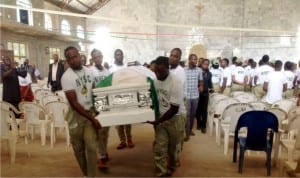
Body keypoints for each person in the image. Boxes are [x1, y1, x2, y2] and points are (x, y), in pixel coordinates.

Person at [61, 46, 101, 177]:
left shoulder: (89, 72)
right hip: (76, 116)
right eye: (69, 58)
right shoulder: (66, 77)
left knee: (91, 146)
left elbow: (93, 91)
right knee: (78, 149)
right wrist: (92, 119)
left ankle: (91, 176)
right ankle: (86, 174)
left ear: (80, 55)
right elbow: (74, 103)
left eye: (75, 56)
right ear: (67, 60)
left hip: (90, 113)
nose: (73, 60)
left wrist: (98, 111)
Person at [147, 56, 183, 177]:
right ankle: (160, 173)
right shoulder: (154, 80)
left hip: (175, 118)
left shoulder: (176, 81)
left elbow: (174, 109)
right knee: (160, 148)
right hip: (161, 117)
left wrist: (158, 121)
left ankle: (172, 164)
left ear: (168, 69)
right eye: (156, 71)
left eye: (161, 72)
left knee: (172, 149)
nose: (158, 74)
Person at [90, 49, 111, 170]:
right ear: (92, 59)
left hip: (106, 103)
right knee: (99, 131)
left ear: (102, 57)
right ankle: (100, 157)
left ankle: (103, 151)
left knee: (105, 131)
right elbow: (91, 89)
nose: (98, 59)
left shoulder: (107, 72)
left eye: (99, 56)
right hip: (96, 104)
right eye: (95, 57)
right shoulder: (91, 72)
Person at [110, 49, 134, 149]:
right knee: (118, 120)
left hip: (126, 95)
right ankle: (122, 140)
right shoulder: (111, 69)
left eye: (120, 54)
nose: (119, 56)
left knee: (127, 119)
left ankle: (129, 139)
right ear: (114, 57)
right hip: (115, 96)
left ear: (123, 56)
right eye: (117, 55)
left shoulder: (127, 67)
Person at [169, 48, 186, 166]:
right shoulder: (169, 70)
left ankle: (176, 158)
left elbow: (177, 91)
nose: (172, 57)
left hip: (179, 110)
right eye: (171, 55)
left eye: (175, 56)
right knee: (171, 137)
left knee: (178, 137)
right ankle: (172, 157)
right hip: (169, 110)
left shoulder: (180, 71)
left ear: (179, 59)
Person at [184, 54, 203, 141]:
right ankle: (187, 133)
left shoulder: (199, 70)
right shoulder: (184, 70)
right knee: (187, 115)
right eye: (193, 59)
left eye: (196, 59)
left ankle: (190, 129)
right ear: (189, 60)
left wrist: (201, 86)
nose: (194, 61)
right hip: (186, 95)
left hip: (195, 95)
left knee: (192, 114)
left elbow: (201, 80)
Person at [197, 59, 212, 133]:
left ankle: (204, 126)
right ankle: (198, 124)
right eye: (204, 64)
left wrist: (211, 88)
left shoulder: (209, 74)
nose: (206, 65)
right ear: (201, 64)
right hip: (197, 93)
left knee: (204, 110)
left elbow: (210, 83)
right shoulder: (197, 72)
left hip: (205, 94)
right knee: (198, 110)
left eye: (207, 64)